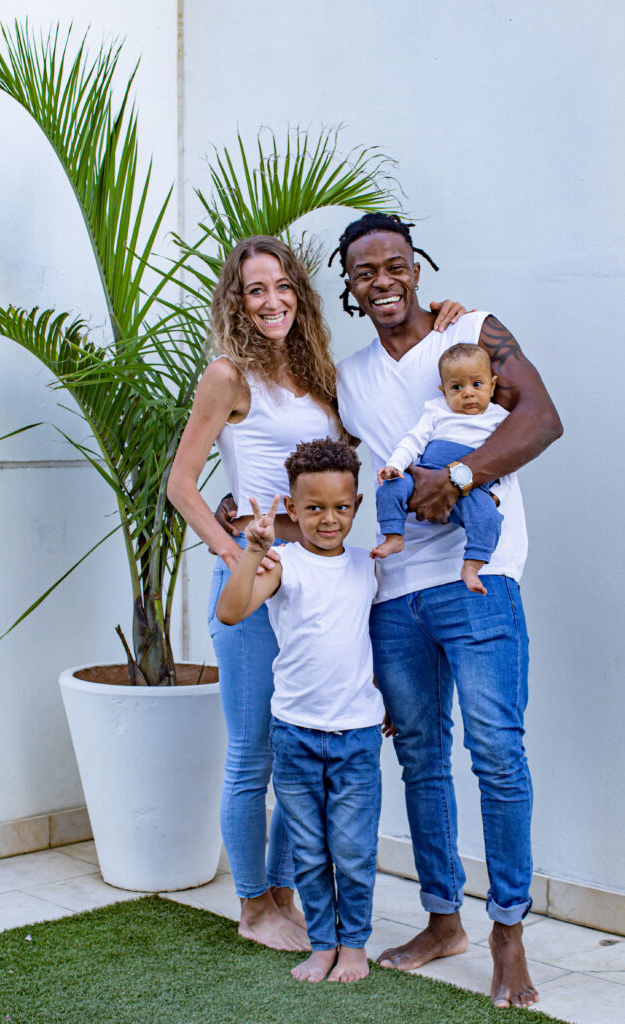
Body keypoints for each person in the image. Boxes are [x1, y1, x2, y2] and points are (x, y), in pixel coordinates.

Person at [168, 233, 464, 952]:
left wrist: (442, 325)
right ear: (237, 302)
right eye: (255, 289)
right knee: (253, 752)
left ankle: (283, 896)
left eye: (281, 286)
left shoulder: (320, 375)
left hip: (317, 579)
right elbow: (180, 485)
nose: (270, 301)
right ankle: (252, 906)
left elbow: (382, 427)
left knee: (295, 740)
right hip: (258, 574)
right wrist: (234, 549)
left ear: (299, 294)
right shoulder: (228, 376)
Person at [332, 212, 563, 1009]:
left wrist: (458, 477)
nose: (383, 280)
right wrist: (243, 508)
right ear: (350, 287)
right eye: (365, 271)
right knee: (421, 758)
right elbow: (321, 459)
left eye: (394, 264)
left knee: (496, 753)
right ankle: (441, 920)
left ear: (416, 268)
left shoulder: (471, 332)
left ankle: (507, 932)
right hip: (396, 592)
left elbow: (540, 418)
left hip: (478, 578)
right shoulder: (350, 376)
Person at [215, 438, 385, 983]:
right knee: (308, 851)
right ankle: (323, 944)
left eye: (340, 507)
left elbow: (382, 639)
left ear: (357, 506)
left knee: (353, 850)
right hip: (295, 734)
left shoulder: (369, 566)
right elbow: (230, 611)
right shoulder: (282, 563)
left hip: (357, 735)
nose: (328, 519)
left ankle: (354, 946)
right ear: (292, 507)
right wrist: (251, 551)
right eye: (314, 508)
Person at [372, 343, 511, 595]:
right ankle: (393, 536)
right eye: (456, 387)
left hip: (472, 489)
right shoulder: (437, 410)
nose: (467, 393)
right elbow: (413, 440)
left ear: (492, 386)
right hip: (424, 475)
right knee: (390, 486)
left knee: (489, 519)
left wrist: (497, 496)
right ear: (443, 391)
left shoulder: (498, 418)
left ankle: (472, 566)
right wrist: (394, 465)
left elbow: (508, 463)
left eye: (476, 384)